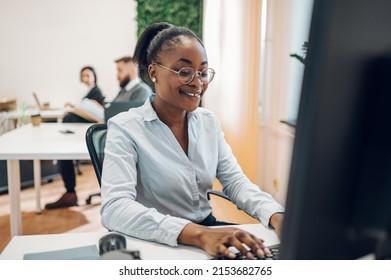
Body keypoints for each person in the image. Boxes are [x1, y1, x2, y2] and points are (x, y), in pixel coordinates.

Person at [100, 22, 285, 259]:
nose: (198, 82)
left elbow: (236, 182)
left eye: (203, 72)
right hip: (158, 243)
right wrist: (198, 235)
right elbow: (115, 208)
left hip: (208, 232)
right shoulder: (126, 128)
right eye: (184, 72)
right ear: (154, 72)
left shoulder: (207, 122)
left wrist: (276, 216)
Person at [45, 66, 105, 209]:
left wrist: (76, 106)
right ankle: (70, 192)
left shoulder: (96, 92)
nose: (85, 78)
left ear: (94, 77)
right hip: (84, 131)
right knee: (66, 126)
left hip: (90, 133)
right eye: (83, 76)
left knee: (63, 146)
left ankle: (70, 193)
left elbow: (99, 112)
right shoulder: (91, 92)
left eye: (88, 75)